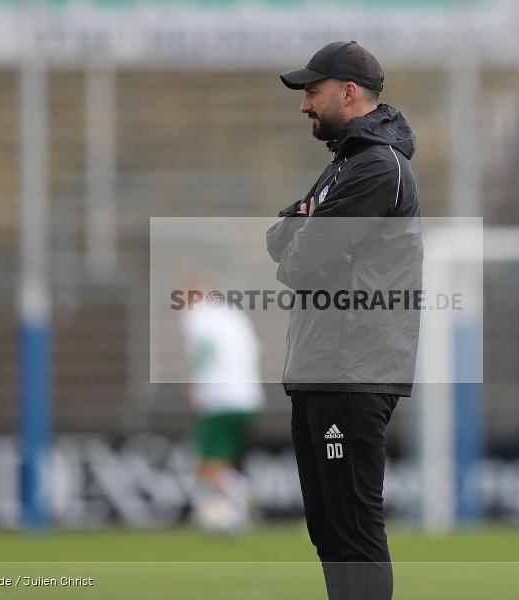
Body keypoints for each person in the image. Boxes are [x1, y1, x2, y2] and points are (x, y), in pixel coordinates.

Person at [266, 42, 422, 600]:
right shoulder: (344, 166)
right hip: (321, 368)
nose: (304, 105)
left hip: (352, 369)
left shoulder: (377, 167)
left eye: (312, 91)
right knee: (329, 532)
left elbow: (301, 260)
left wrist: (305, 236)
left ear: (348, 92)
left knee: (353, 530)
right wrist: (304, 233)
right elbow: (277, 237)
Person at [179, 290, 264, 534]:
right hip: (247, 398)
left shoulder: (199, 315)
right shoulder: (233, 315)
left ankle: (242, 492)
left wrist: (191, 381)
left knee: (206, 464)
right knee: (219, 462)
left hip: (219, 398)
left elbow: (207, 346)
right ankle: (235, 513)